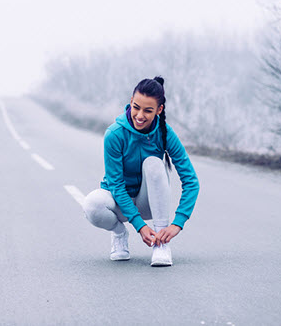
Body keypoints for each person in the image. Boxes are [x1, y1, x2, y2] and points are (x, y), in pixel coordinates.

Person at [82, 76, 199, 266]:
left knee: (153, 162)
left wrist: (178, 223)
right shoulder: (114, 134)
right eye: (136, 107)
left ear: (159, 110)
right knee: (91, 205)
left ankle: (161, 243)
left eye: (148, 110)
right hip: (120, 203)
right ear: (130, 102)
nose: (140, 115)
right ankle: (119, 233)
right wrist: (139, 226)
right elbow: (116, 186)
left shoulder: (165, 133)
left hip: (149, 203)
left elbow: (191, 181)